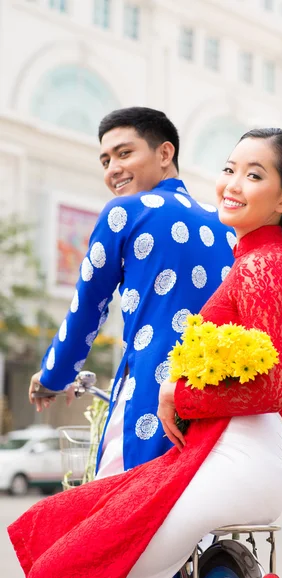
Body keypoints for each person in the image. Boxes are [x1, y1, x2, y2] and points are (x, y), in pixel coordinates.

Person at [9, 127, 282, 578]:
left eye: (254, 175)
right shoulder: (243, 251)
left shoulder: (260, 266)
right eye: (229, 169)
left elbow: (274, 388)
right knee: (72, 528)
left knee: (70, 566)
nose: (233, 185)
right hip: (228, 451)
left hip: (230, 456)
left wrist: (179, 393)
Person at [28, 106, 235, 479]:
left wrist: (51, 377)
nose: (112, 170)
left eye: (124, 154)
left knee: (121, 518)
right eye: (105, 160)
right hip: (217, 396)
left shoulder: (123, 212)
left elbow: (88, 309)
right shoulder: (223, 224)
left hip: (152, 393)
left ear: (165, 153)